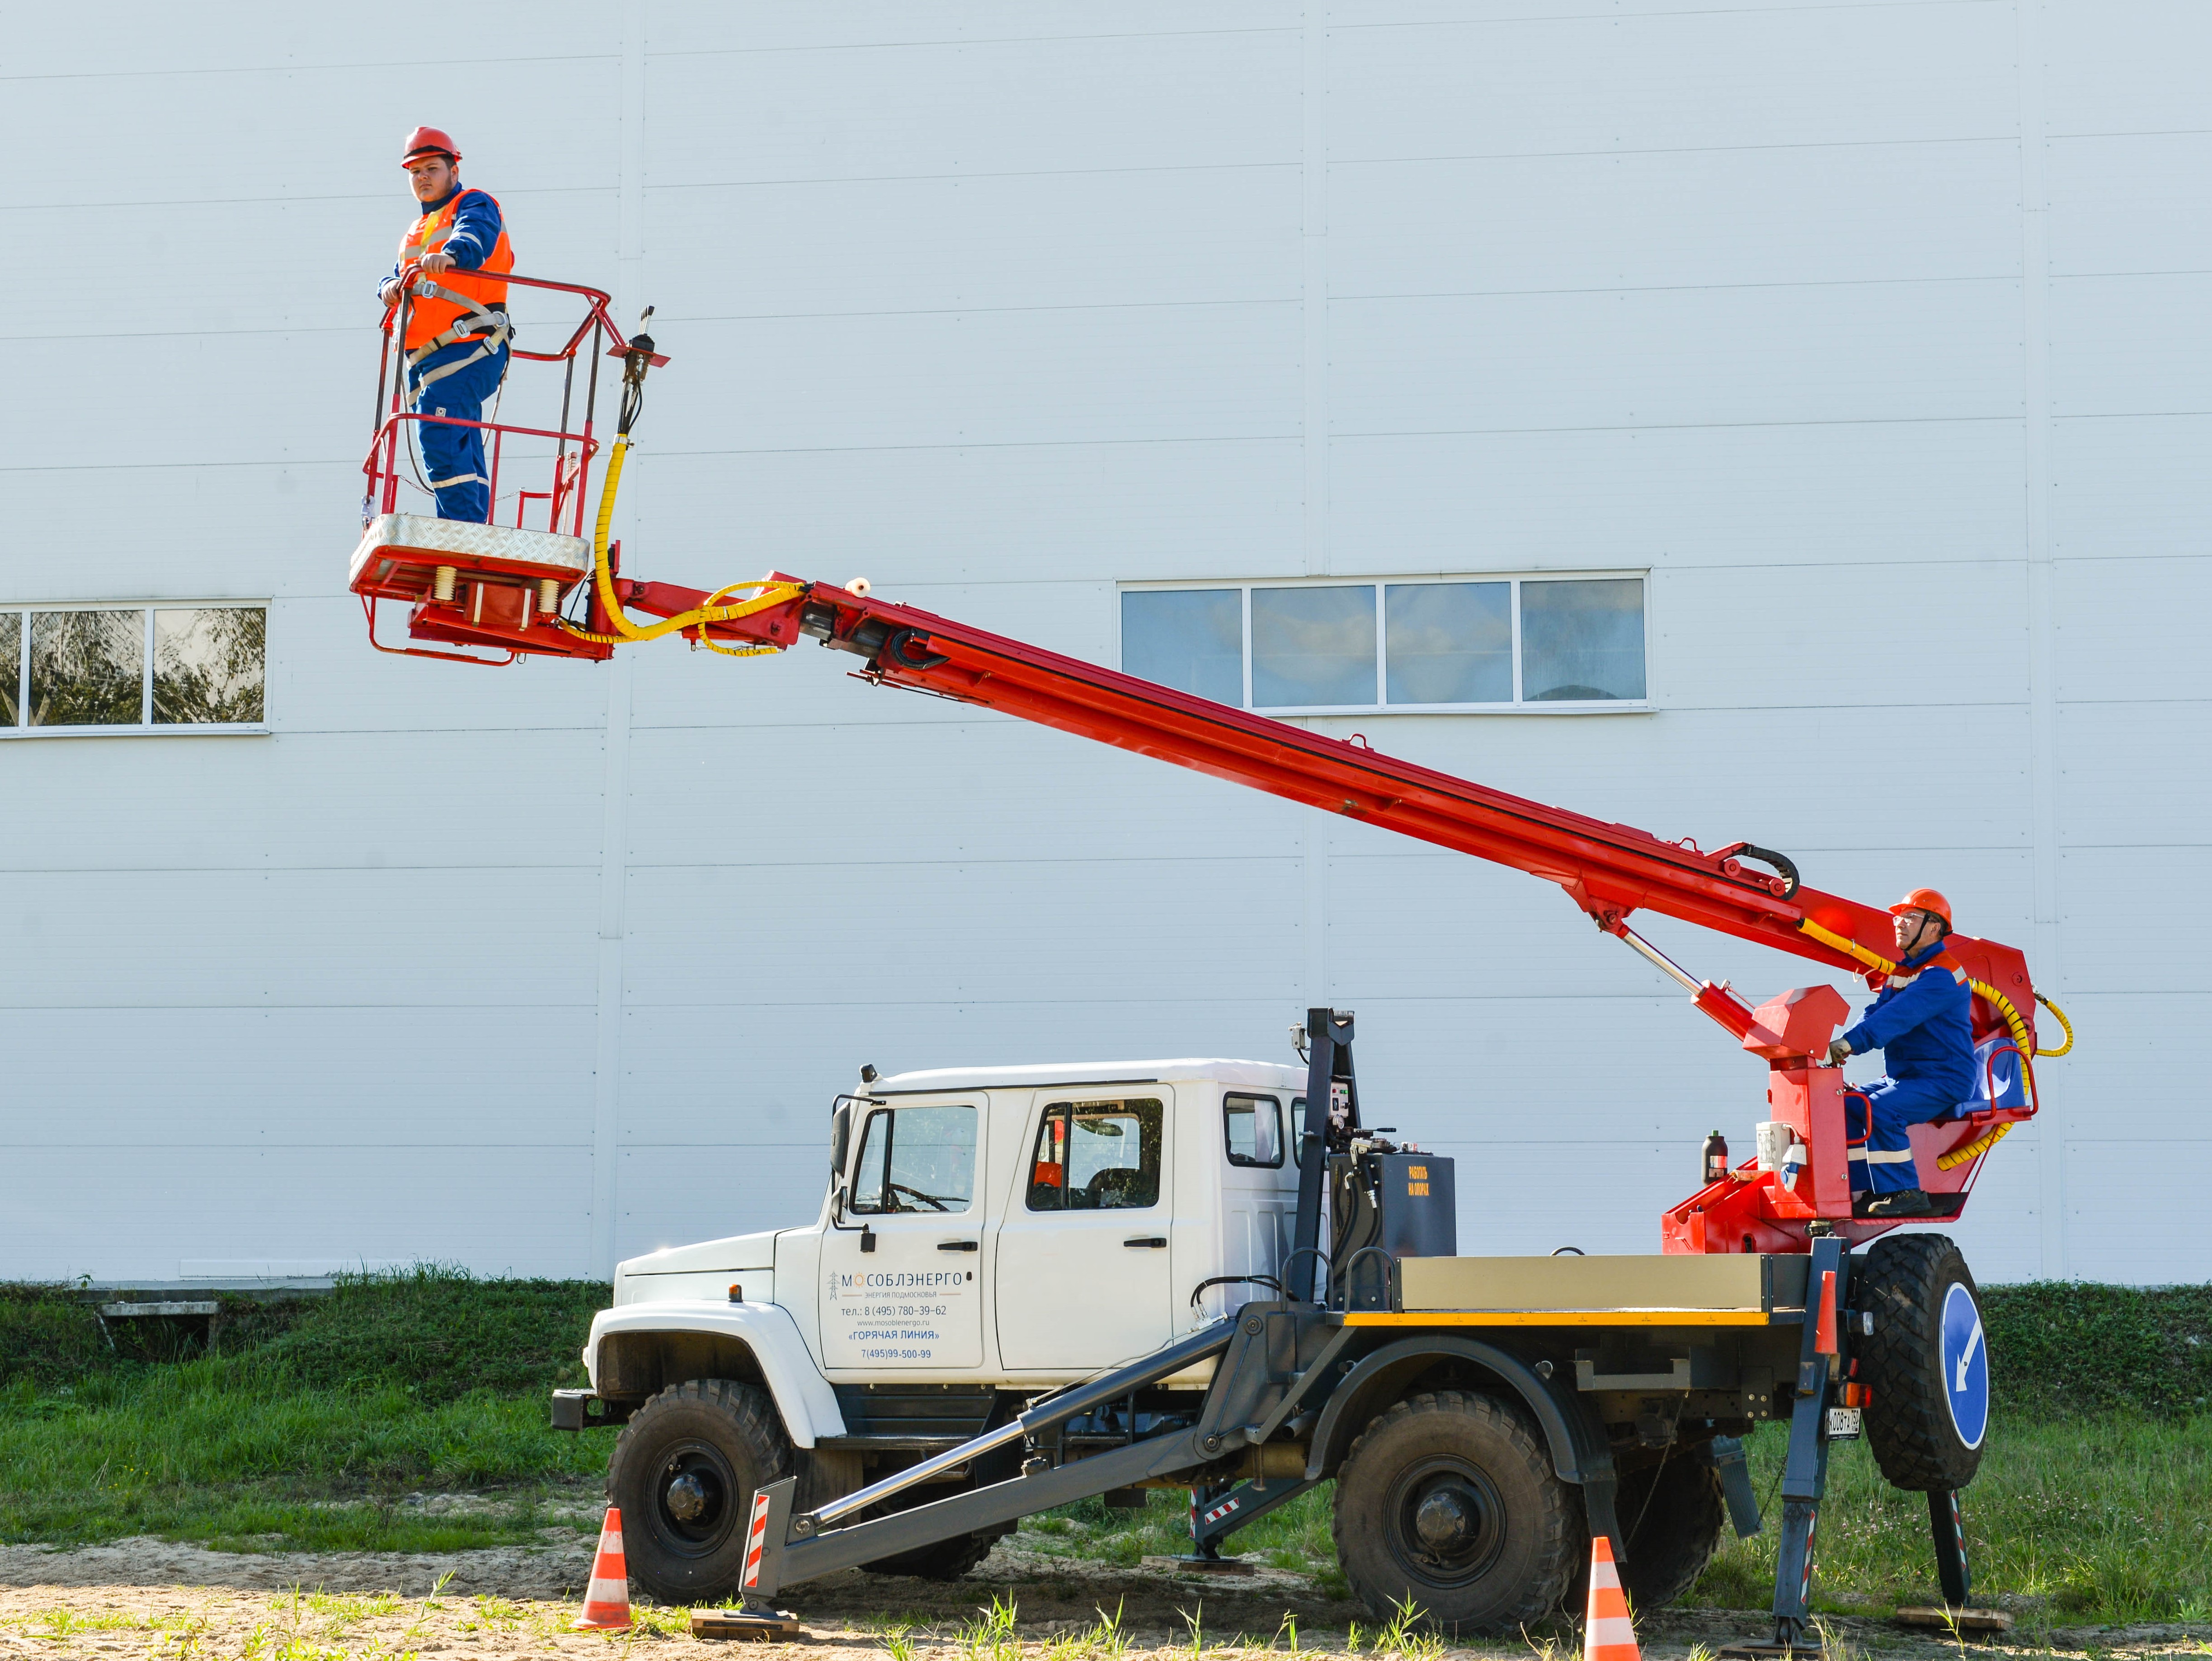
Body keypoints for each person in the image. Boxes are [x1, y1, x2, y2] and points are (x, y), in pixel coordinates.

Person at [378, 127, 513, 522]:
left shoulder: (473, 204)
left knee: (439, 429)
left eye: (432, 168)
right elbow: (396, 274)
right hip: (430, 358)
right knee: (461, 437)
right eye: (415, 170)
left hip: (471, 344)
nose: (423, 177)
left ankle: (461, 530)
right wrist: (387, 287)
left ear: (454, 171)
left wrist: (453, 255)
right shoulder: (416, 232)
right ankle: (472, 526)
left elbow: (477, 237)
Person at [1826, 888, 1975, 1218]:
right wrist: (1840, 1041)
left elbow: (1899, 1015)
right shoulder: (1904, 972)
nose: (1900, 924)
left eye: (1910, 917)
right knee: (1845, 1103)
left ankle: (1905, 1192)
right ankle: (1868, 1191)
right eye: (1899, 917)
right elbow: (1877, 1011)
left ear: (1935, 928)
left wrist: (1851, 1043)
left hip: (1944, 1078)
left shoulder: (1942, 975)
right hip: (1907, 1076)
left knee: (1880, 1110)